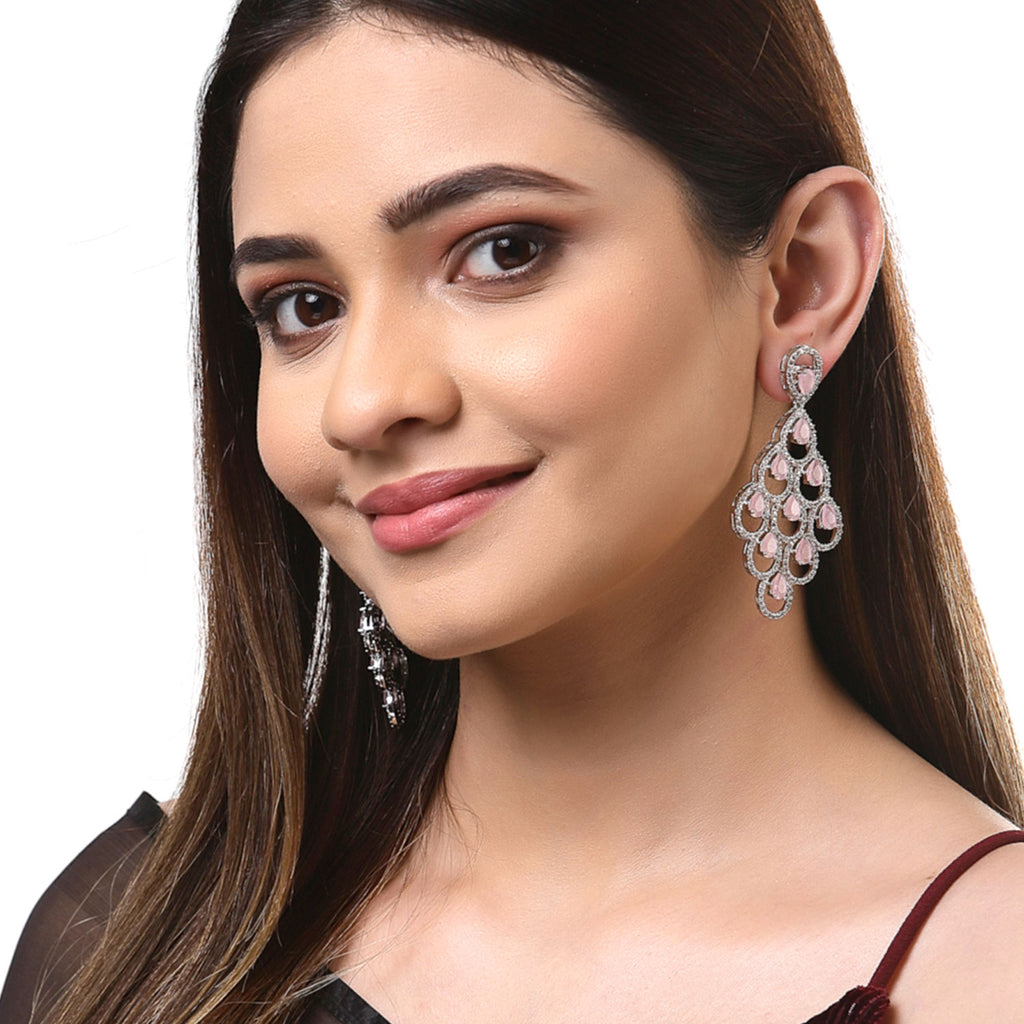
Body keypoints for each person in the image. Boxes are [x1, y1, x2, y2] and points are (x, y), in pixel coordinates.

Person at [3, 1, 1023, 1022]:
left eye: (502, 251)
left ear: (803, 278)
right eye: (303, 307)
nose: (363, 402)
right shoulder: (129, 945)